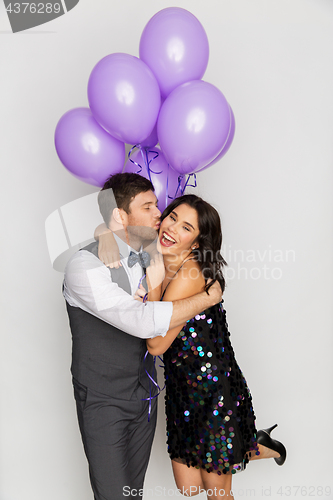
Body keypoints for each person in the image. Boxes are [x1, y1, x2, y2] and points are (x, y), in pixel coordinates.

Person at [99, 193, 286, 500]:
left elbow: (156, 343)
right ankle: (256, 443)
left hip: (213, 391)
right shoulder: (158, 254)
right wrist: (117, 241)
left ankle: (251, 444)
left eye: (186, 228)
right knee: (189, 489)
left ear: (197, 243)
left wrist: (153, 269)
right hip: (180, 388)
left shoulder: (189, 273)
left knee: (216, 493)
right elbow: (109, 226)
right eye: (172, 217)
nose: (172, 228)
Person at [63, 174, 223, 500]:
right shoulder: (84, 267)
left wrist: (107, 232)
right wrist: (207, 298)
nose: (159, 215)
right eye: (148, 206)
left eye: (157, 205)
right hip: (104, 401)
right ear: (121, 216)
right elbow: (141, 322)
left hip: (147, 397)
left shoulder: (153, 249)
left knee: (132, 492)